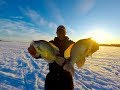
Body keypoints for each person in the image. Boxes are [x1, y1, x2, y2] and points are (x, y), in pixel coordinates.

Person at [44, 25, 74, 90]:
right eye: (59, 31)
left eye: (62, 31)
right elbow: (41, 54)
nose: (61, 33)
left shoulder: (71, 44)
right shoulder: (51, 43)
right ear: (56, 33)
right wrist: (36, 54)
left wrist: (90, 49)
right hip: (52, 77)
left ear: (65, 33)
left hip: (66, 77)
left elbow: (80, 51)